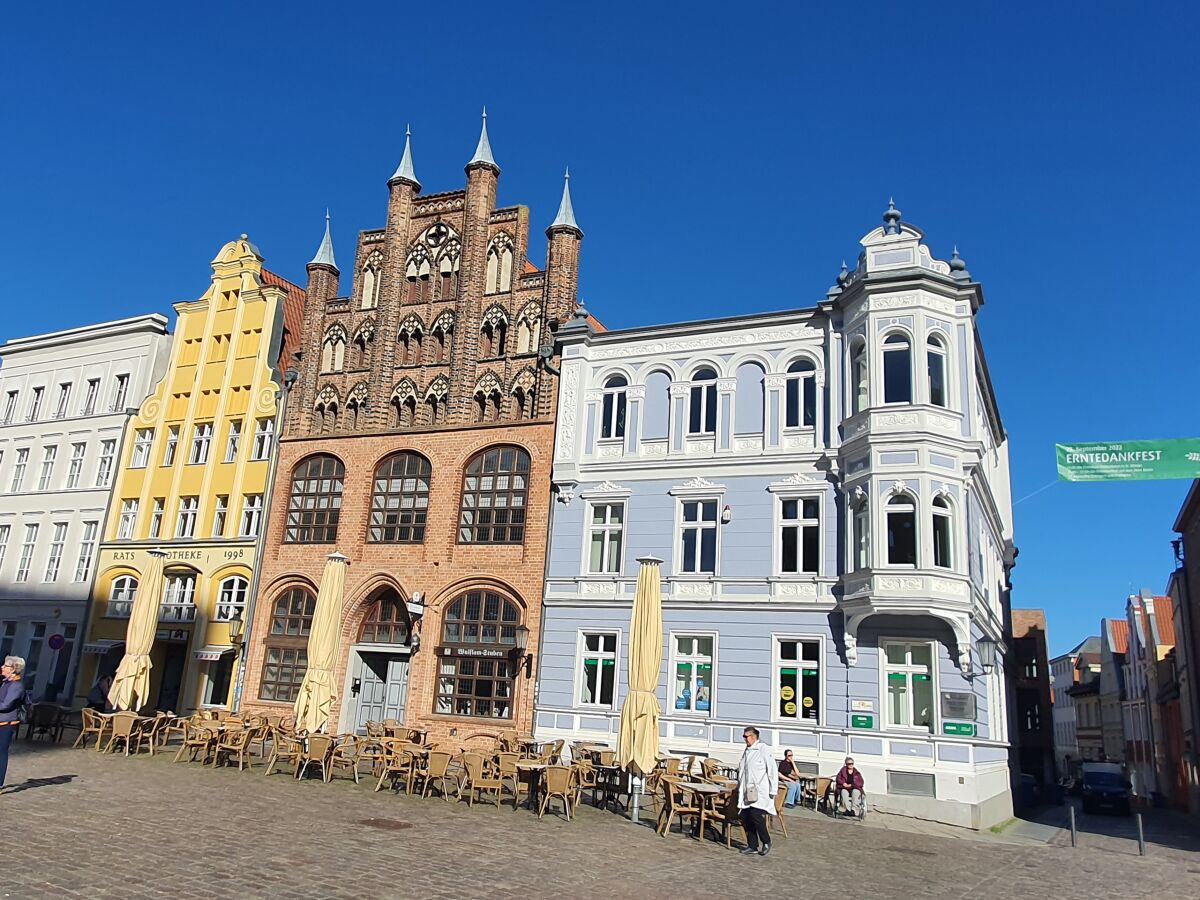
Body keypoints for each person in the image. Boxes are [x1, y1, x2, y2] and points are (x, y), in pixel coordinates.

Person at [737, 726, 778, 856]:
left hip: (760, 791)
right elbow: (743, 769)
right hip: (747, 790)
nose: (744, 739)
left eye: (746, 736)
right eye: (744, 737)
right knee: (746, 815)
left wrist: (773, 789)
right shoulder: (747, 750)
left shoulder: (764, 749)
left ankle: (766, 841)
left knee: (755, 814)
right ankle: (752, 845)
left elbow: (772, 770)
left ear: (754, 737)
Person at [0, 656, 29, 794]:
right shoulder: (6, 682)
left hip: (7, 722)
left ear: (14, 669)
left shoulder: (17, 686)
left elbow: (6, 705)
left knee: (1, 752)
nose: (2, 667)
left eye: (5, 666)